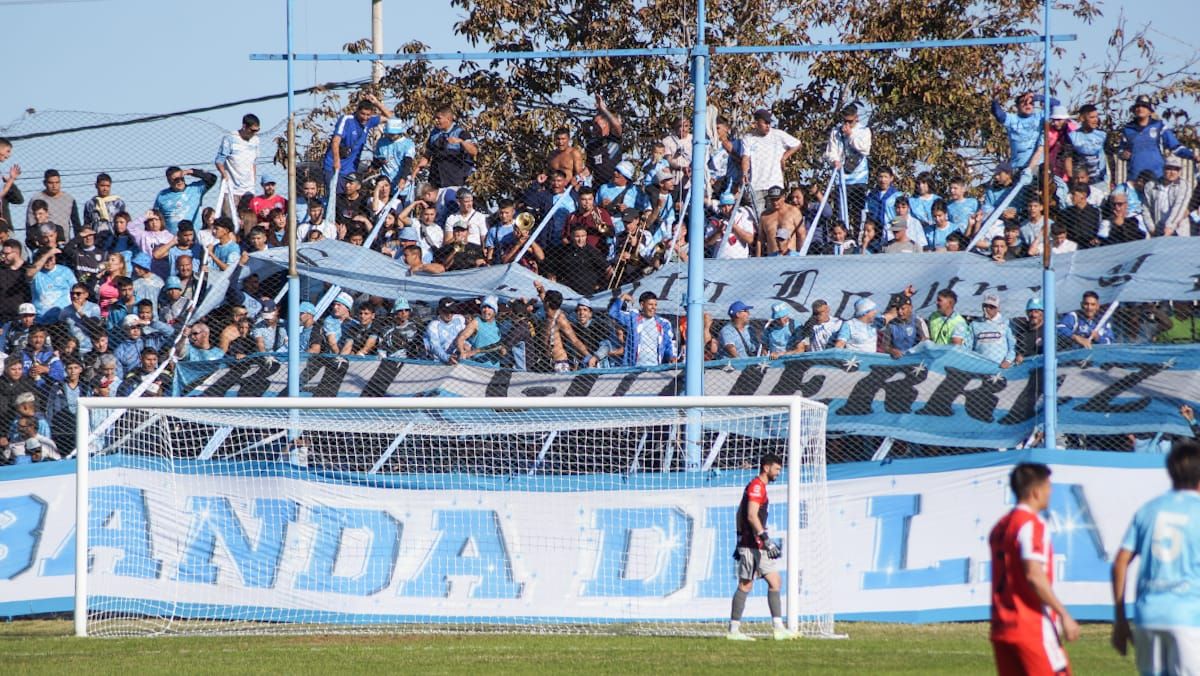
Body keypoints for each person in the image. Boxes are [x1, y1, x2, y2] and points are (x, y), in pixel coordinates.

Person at [1111, 439, 1200, 674]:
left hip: (1148, 615)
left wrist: (1120, 619)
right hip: (1188, 616)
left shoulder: (1149, 510)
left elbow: (1120, 563)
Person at [989, 462, 1080, 675]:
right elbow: (1033, 575)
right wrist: (1063, 613)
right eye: (1048, 486)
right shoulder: (1031, 524)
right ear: (1035, 492)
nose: (1051, 492)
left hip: (1002, 626)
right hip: (1031, 626)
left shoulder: (1000, 527)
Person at [727, 453, 797, 641]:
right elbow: (750, 515)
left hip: (755, 544)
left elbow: (740, 512)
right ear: (766, 468)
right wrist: (764, 539)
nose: (778, 473)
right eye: (776, 469)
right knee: (745, 584)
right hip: (752, 545)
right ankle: (733, 631)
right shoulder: (756, 486)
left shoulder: (760, 487)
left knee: (775, 582)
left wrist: (739, 536)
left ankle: (778, 628)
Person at [1118, 95, 1196, 181]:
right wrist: (1123, 154)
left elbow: (1175, 147)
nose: (1140, 108)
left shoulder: (1159, 127)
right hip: (1135, 178)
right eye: (1138, 106)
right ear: (1134, 110)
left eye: (1144, 106)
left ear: (1150, 111)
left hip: (1157, 177)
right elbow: (1121, 150)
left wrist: (1193, 155)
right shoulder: (1128, 129)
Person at [324, 95, 391, 192]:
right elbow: (335, 141)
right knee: (335, 197)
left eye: (368, 115)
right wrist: (336, 161)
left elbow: (390, 117)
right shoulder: (347, 120)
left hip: (350, 168)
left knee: (349, 198)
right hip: (333, 167)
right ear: (357, 111)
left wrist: (377, 103)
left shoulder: (370, 121)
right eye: (363, 114)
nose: (365, 117)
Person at [743, 108, 801, 217]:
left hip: (774, 183)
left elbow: (797, 144)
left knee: (774, 217)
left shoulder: (778, 135)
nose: (768, 125)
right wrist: (744, 173)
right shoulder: (748, 138)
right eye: (765, 122)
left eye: (769, 122)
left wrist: (784, 157)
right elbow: (745, 157)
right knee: (759, 218)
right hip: (756, 185)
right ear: (757, 122)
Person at [608, 291, 675, 367]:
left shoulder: (664, 324)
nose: (654, 307)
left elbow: (668, 346)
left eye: (655, 305)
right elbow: (613, 313)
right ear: (642, 305)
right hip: (634, 367)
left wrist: (672, 357)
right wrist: (622, 297)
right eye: (650, 304)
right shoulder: (633, 318)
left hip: (655, 368)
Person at [214, 113, 261, 211]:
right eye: (252, 130)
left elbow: (253, 162)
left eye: (257, 130)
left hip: (248, 190)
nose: (254, 133)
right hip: (231, 190)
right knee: (228, 221)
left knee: (248, 221)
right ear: (244, 126)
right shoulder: (230, 138)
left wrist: (253, 182)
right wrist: (224, 175)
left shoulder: (256, 140)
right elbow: (219, 161)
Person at [545, 224, 610, 296]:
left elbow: (608, 269)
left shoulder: (592, 251)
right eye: (577, 237)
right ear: (571, 236)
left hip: (588, 292)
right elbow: (551, 270)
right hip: (567, 291)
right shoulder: (562, 251)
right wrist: (553, 281)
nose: (580, 240)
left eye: (583, 236)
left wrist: (600, 285)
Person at [425, 106, 477, 190]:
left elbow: (474, 151)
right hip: (435, 179)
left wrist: (461, 142)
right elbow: (427, 154)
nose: (436, 121)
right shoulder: (434, 134)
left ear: (448, 118)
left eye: (439, 118)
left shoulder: (461, 133)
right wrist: (416, 170)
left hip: (454, 180)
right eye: (435, 118)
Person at [153, 166, 217, 235]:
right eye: (176, 179)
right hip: (172, 239)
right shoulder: (162, 195)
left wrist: (191, 171)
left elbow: (212, 178)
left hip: (194, 238)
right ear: (169, 180)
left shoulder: (195, 189)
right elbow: (155, 216)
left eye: (181, 178)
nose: (180, 181)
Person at [1144, 159, 1194, 237]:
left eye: (1176, 169)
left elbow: (1179, 206)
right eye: (1169, 168)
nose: (1172, 172)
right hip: (1158, 229)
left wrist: (1170, 227)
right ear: (1163, 169)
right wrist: (1151, 228)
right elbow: (1146, 208)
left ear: (1179, 171)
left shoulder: (1184, 185)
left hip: (1178, 230)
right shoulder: (1151, 185)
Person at [25, 169, 81, 237]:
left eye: (57, 182)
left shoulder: (69, 199)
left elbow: (76, 223)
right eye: (50, 183)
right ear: (44, 183)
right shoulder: (36, 199)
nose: (54, 186)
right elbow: (30, 223)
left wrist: (78, 241)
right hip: (43, 241)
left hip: (65, 242)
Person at [584, 94, 624, 187]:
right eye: (594, 126)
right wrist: (580, 176)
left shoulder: (614, 138)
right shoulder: (591, 145)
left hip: (614, 185)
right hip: (598, 186)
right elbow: (589, 168)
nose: (596, 128)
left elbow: (617, 126)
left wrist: (603, 109)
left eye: (598, 125)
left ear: (607, 124)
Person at [971, 294, 1016, 367]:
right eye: (985, 306)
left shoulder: (1007, 323)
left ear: (998, 308)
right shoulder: (974, 324)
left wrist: (1008, 360)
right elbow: (968, 347)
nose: (988, 309)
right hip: (979, 365)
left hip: (1000, 366)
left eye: (992, 307)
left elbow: (1013, 346)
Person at [881, 294, 927, 358]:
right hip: (897, 359)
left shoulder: (917, 322)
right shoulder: (891, 325)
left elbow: (924, 340)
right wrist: (892, 351)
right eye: (897, 309)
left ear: (910, 307)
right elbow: (884, 346)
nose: (900, 312)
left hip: (914, 358)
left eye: (903, 308)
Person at [425, 297, 467, 364]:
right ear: (439, 311)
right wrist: (447, 358)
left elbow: (466, 336)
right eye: (446, 311)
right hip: (440, 362)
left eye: (452, 311)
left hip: (460, 358)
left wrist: (467, 345)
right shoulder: (433, 325)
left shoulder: (460, 319)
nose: (449, 314)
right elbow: (435, 346)